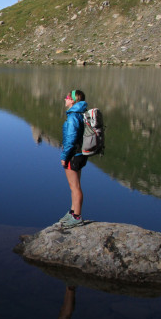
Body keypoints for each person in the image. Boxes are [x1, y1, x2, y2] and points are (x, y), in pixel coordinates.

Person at [59, 90, 88, 229]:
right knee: (75, 186)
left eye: (68, 97)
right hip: (80, 154)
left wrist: (64, 157)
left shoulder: (73, 116)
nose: (65, 98)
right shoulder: (81, 113)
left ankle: (77, 217)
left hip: (73, 155)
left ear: (73, 101)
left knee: (74, 187)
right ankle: (72, 213)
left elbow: (70, 139)